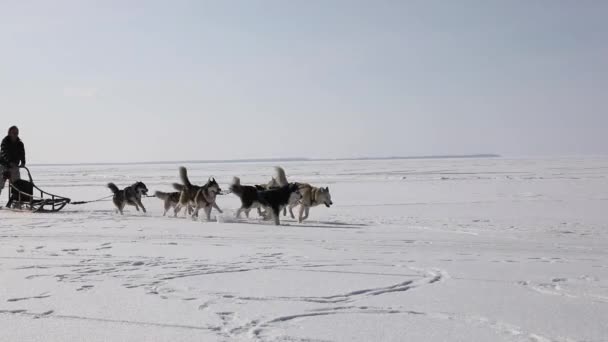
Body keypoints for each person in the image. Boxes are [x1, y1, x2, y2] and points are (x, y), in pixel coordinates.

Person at [0, 126, 26, 196]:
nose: (15, 134)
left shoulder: (20, 143)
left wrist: (23, 162)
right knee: (0, 184)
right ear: (9, 133)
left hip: (14, 166)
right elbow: (3, 152)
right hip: (4, 165)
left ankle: (16, 202)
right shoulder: (5, 142)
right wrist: (9, 162)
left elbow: (22, 153)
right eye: (13, 132)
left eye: (17, 133)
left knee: (17, 185)